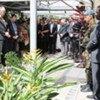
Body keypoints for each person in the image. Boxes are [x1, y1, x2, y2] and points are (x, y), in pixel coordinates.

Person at [86, 6, 100, 100]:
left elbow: (95, 40)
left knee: (97, 78)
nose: (96, 14)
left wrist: (88, 47)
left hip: (97, 55)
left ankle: (97, 95)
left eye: (97, 12)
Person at [81, 9, 95, 92]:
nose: (84, 18)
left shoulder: (93, 26)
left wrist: (88, 48)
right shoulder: (90, 25)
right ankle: (88, 84)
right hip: (87, 50)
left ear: (91, 16)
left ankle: (90, 85)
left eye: (86, 16)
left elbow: (93, 39)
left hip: (90, 50)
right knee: (87, 68)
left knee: (89, 69)